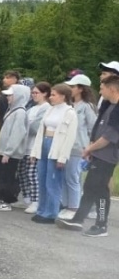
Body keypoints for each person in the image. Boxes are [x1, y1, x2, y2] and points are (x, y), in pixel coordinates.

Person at [57, 74, 119, 237]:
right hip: (98, 153)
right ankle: (78, 219)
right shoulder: (108, 105)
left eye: (102, 88)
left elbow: (108, 137)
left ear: (112, 89)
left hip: (108, 156)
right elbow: (98, 129)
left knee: (99, 189)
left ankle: (101, 225)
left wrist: (89, 149)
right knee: (90, 187)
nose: (100, 91)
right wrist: (91, 147)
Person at [30, 84, 78, 224]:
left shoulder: (69, 112)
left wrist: (62, 157)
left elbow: (69, 137)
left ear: (63, 96)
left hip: (56, 147)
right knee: (42, 179)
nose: (51, 97)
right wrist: (35, 152)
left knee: (53, 181)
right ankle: (41, 210)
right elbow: (40, 131)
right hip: (44, 143)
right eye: (50, 94)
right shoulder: (50, 110)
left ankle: (51, 212)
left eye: (53, 95)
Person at [59, 74, 97, 219]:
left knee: (73, 178)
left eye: (73, 86)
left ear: (81, 89)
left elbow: (92, 128)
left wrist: (89, 148)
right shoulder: (69, 106)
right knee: (64, 177)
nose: (70, 89)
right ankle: (66, 204)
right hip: (65, 147)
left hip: (78, 147)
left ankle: (74, 207)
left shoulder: (87, 107)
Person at [0, 84, 30, 211]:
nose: (8, 97)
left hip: (11, 153)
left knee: (7, 177)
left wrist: (8, 152)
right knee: (2, 176)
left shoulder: (20, 112)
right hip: (4, 151)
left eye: (11, 95)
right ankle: (1, 198)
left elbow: (17, 134)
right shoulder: (12, 110)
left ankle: (6, 201)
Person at [18, 82, 51, 214]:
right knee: (22, 172)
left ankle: (35, 201)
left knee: (32, 174)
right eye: (32, 93)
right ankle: (26, 198)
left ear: (45, 93)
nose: (34, 95)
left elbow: (36, 128)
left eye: (36, 93)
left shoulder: (47, 108)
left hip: (35, 147)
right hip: (25, 146)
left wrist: (26, 126)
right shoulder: (31, 109)